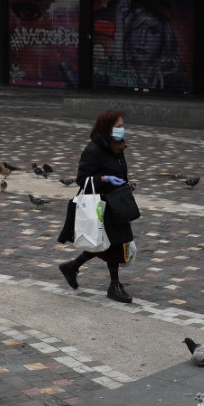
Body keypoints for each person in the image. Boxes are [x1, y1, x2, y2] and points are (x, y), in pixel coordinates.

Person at [58, 109, 135, 303]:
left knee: (105, 242)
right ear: (107, 127)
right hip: (102, 205)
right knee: (115, 244)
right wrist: (103, 178)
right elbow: (82, 180)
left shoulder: (117, 146)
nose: (121, 129)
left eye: (122, 126)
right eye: (118, 126)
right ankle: (114, 285)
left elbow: (120, 171)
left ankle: (72, 266)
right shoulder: (93, 149)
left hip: (117, 201)